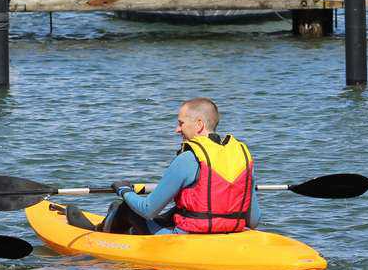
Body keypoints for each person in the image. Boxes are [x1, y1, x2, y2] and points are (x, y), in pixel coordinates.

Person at [74, 97, 256, 236]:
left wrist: (123, 190)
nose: (177, 129)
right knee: (177, 211)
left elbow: (148, 209)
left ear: (199, 124)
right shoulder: (241, 156)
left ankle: (99, 235)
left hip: (188, 237)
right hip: (230, 232)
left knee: (126, 208)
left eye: (181, 123)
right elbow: (254, 220)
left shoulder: (189, 158)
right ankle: (128, 231)